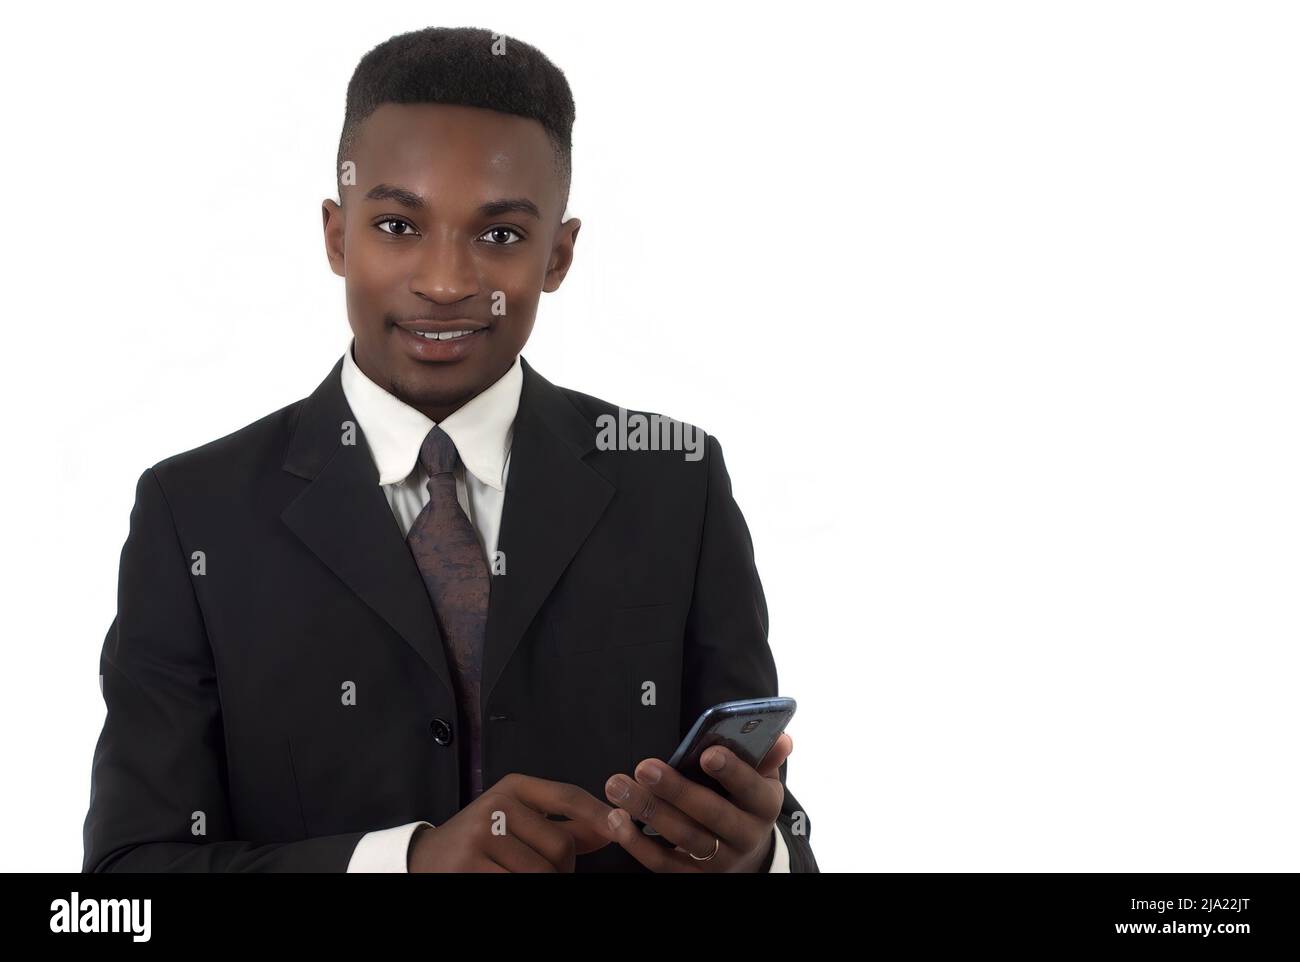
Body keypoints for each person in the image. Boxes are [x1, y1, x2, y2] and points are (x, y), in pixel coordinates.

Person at [82, 25, 818, 873]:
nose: (444, 281)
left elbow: (779, 828)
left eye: (500, 236)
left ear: (559, 255)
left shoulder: (675, 484)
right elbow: (120, 888)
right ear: (335, 236)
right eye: (397, 225)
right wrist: (403, 864)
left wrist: (760, 854)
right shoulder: (194, 512)